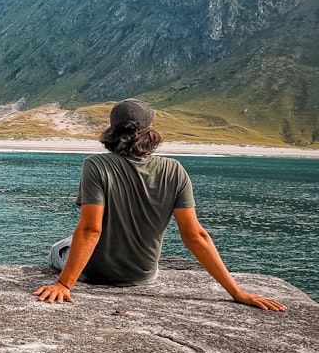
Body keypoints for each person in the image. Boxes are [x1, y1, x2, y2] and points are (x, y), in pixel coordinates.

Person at [33, 98, 286, 311]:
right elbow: (195, 235)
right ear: (149, 130)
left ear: (113, 131)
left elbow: (91, 230)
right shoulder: (173, 170)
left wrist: (64, 284)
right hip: (142, 276)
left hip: (95, 273)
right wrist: (237, 293)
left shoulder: (96, 165)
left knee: (60, 247)